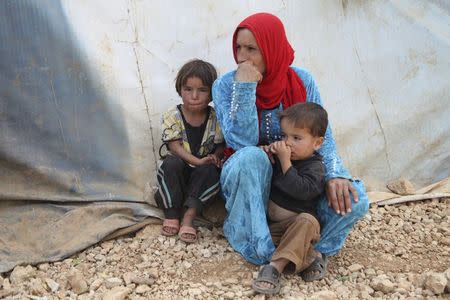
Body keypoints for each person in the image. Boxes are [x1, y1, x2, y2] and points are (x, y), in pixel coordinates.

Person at [212, 12, 369, 281]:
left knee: (355, 200)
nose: (241, 57)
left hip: (297, 187)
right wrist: (246, 87)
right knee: (252, 156)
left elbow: (323, 135)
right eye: (238, 47)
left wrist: (335, 175)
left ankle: (314, 249)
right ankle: (262, 244)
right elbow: (240, 142)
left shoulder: (302, 80)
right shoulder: (227, 84)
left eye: (251, 49)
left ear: (271, 48)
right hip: (249, 179)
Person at [252, 102, 327, 294]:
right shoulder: (283, 157)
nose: (288, 143)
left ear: (317, 142)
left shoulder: (315, 167)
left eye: (296, 138)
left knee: (307, 221)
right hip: (275, 229)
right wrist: (265, 152)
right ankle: (310, 257)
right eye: (284, 136)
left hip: (299, 227)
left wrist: (285, 162)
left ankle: (274, 267)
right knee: (262, 239)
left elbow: (302, 190)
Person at [155, 59, 224, 243]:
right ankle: (172, 214)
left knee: (211, 170)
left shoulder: (216, 117)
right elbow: (174, 147)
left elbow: (220, 144)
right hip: (180, 171)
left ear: (212, 94)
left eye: (202, 90)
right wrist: (197, 160)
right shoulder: (172, 115)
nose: (194, 96)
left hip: (201, 176)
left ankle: (189, 217)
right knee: (171, 163)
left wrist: (214, 157)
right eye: (188, 89)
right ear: (180, 90)